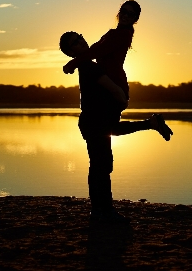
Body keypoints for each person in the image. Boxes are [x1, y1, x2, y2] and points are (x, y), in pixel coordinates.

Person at [59, 31, 173, 224]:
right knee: (100, 167)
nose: (81, 41)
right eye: (75, 43)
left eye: (80, 37)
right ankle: (103, 211)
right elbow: (114, 90)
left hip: (95, 122)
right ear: (71, 51)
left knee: (102, 164)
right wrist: (122, 101)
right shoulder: (89, 67)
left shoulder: (88, 64)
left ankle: (101, 210)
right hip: (93, 123)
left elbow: (105, 45)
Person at [62, 0, 142, 102]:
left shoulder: (124, 34)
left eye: (130, 14)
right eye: (123, 11)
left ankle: (152, 119)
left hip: (115, 85)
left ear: (135, 19)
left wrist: (74, 63)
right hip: (107, 85)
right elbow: (95, 48)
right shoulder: (112, 33)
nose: (125, 15)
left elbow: (99, 50)